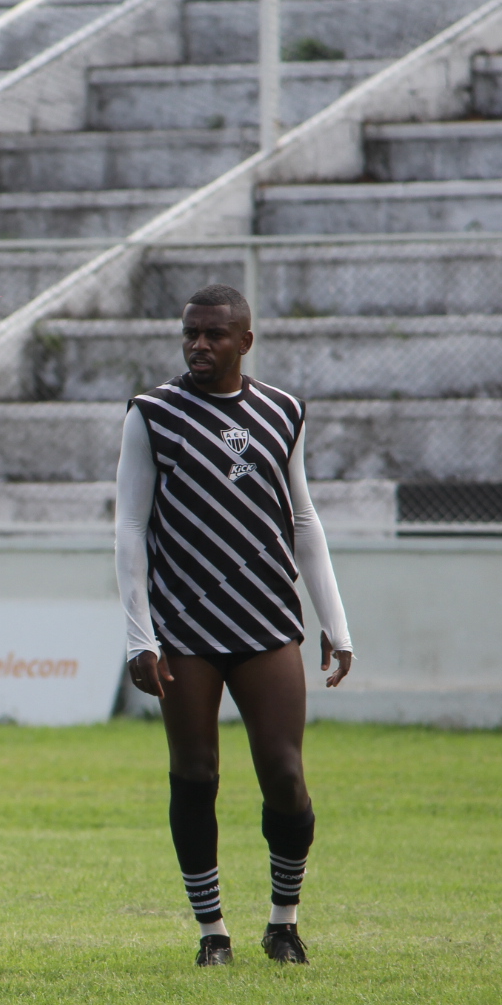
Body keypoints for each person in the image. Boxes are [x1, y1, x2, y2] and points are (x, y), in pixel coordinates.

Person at [114, 283, 354, 967]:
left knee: (284, 774)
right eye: (191, 332)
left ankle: (284, 922)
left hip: (267, 619)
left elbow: (302, 519)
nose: (199, 344)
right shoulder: (152, 414)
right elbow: (130, 529)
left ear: (244, 340)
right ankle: (211, 931)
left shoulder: (282, 411)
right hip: (185, 627)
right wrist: (141, 637)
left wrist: (335, 623)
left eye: (214, 334)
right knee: (194, 775)